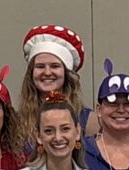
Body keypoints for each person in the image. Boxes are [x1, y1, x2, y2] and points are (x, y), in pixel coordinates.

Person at [14, 23, 86, 154]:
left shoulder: (87, 119)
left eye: (55, 66)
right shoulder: (16, 122)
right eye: (40, 66)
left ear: (66, 73)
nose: (47, 72)